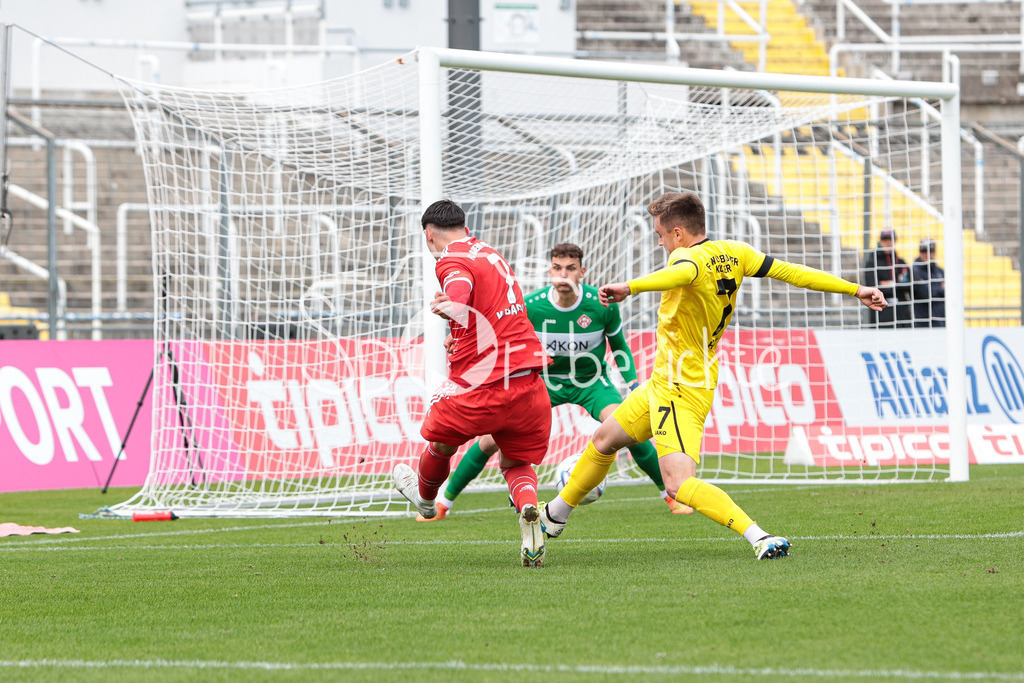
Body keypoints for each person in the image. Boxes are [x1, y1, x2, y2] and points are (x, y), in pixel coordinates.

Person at [538, 191, 888, 561]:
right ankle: (554, 515)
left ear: (677, 232)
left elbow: (680, 272)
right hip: (672, 379)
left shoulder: (686, 259)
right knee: (605, 439)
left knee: (677, 483)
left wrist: (630, 287)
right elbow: (793, 272)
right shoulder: (736, 252)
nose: (658, 241)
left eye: (659, 233)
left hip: (679, 387)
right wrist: (855, 289)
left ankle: (759, 536)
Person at [415, 242, 694, 522]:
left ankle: (670, 495)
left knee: (627, 429)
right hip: (543, 382)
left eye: (571, 269)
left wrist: (632, 383)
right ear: (550, 271)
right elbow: (497, 332)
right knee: (489, 442)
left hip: (591, 382)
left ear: (581, 272)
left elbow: (618, 347)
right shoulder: (533, 306)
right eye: (558, 268)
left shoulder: (601, 304)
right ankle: (444, 502)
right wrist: (459, 338)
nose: (564, 275)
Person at [392, 199, 552, 567]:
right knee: (515, 460)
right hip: (528, 382)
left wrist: (453, 308)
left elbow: (460, 290)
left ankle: (426, 500)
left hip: (483, 386)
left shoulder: (451, 259)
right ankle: (528, 509)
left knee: (441, 442)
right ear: (464, 226)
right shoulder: (490, 253)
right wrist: (460, 331)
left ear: (428, 235)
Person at [861, 228, 911, 328]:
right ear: (880, 241)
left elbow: (909, 286)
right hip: (881, 314)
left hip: (902, 315)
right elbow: (872, 287)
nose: (888, 243)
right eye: (885, 240)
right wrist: (897, 283)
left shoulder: (901, 262)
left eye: (890, 240)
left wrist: (888, 283)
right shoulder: (872, 262)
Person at [911, 238, 945, 328]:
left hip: (940, 321)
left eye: (930, 251)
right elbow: (925, 293)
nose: (927, 254)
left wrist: (935, 290)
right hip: (922, 323)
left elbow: (950, 292)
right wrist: (940, 289)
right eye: (924, 251)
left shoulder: (940, 271)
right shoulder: (914, 271)